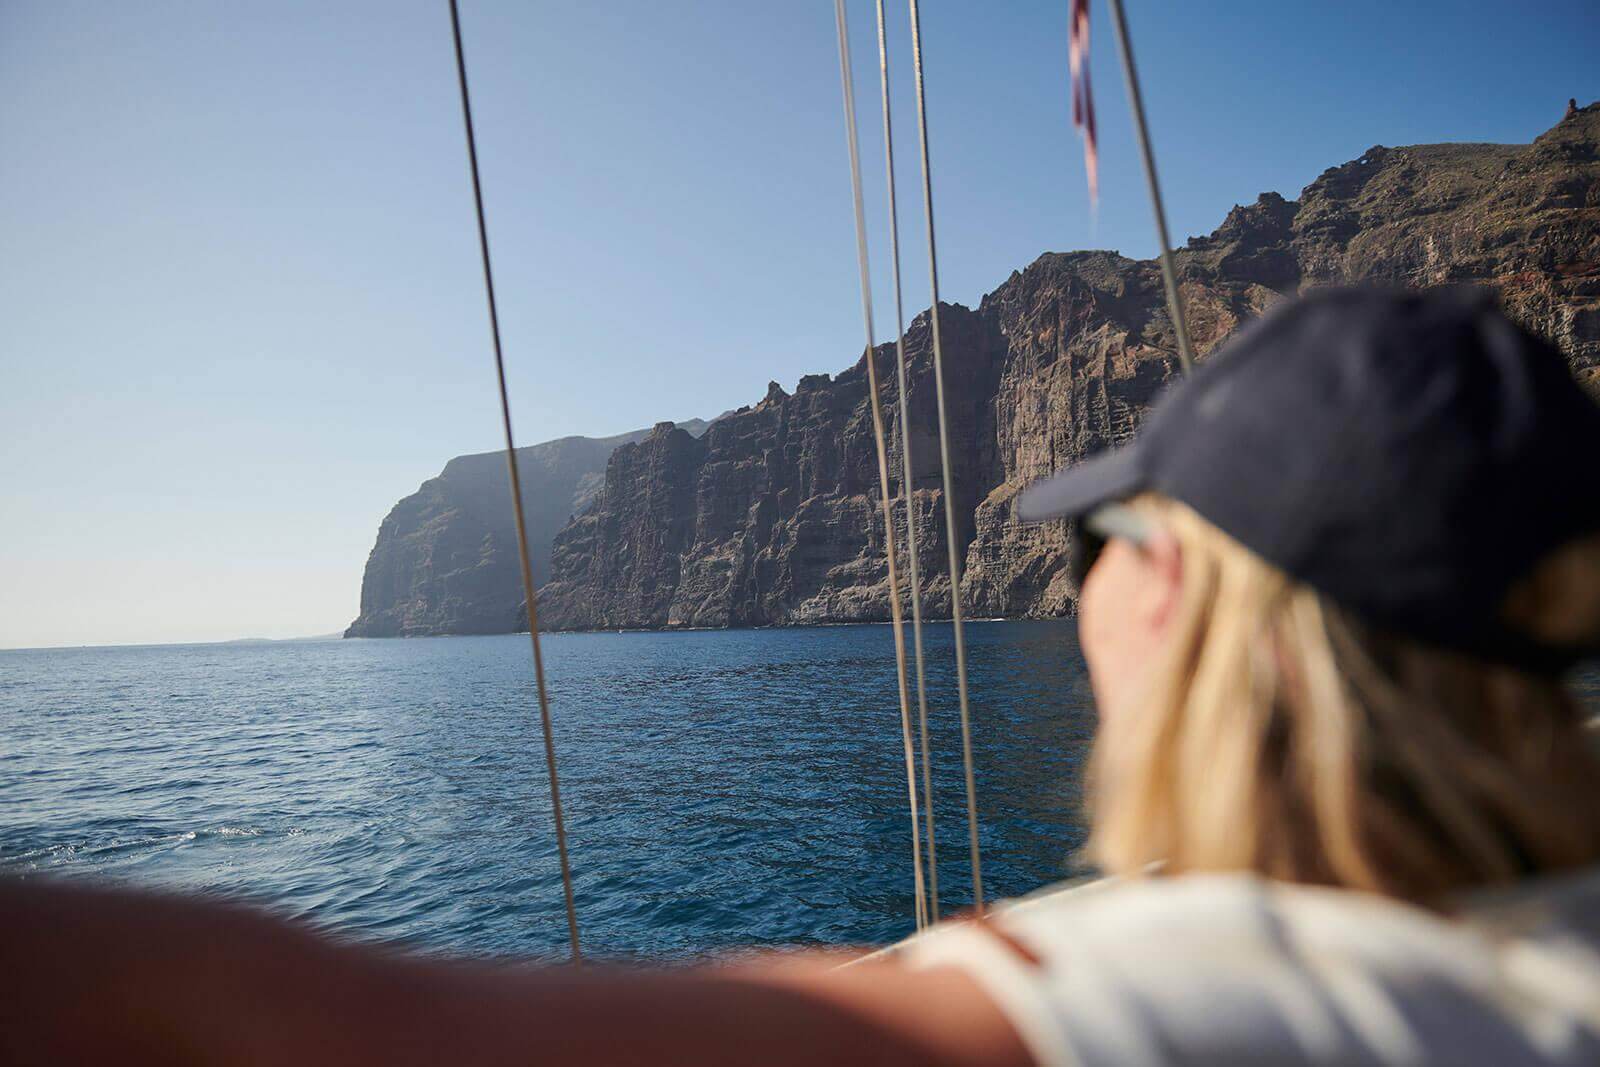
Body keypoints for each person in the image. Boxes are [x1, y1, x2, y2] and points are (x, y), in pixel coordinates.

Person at [4, 287, 1600, 1065]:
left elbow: (321, 1037)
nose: (1089, 586)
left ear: (1175, 590)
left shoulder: (1245, 1006)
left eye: (1102, 543)